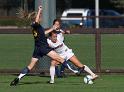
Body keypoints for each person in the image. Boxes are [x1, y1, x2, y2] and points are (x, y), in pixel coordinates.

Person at [10, 6, 70, 86]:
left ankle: (18, 78)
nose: (41, 18)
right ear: (36, 18)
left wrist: (52, 28)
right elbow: (37, 21)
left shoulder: (36, 27)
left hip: (37, 49)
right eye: (40, 17)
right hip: (44, 48)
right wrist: (39, 10)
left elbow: (43, 33)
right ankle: (77, 70)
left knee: (30, 66)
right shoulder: (36, 25)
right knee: (60, 59)